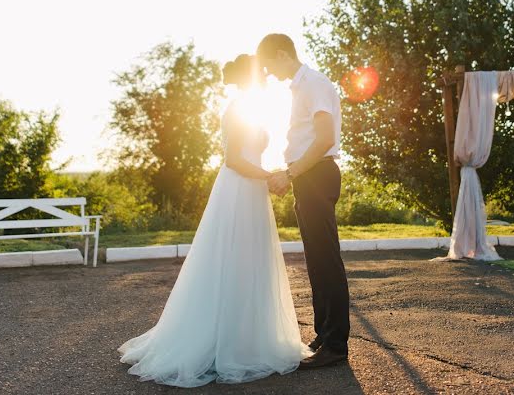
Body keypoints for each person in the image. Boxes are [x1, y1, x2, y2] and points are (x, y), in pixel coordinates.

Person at [118, 53, 310, 388]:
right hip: (238, 190)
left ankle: (247, 337)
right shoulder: (238, 109)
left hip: (251, 192)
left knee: (250, 262)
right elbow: (234, 159)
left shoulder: (250, 107)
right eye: (261, 72)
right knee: (232, 260)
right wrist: (270, 177)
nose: (266, 76)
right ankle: (223, 342)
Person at [257, 33, 350, 369]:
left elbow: (324, 139)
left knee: (326, 260)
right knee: (315, 261)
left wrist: (291, 174)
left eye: (269, 65)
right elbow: (306, 138)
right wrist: (290, 171)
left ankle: (337, 345)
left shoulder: (314, 83)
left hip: (317, 175)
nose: (269, 73)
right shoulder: (301, 87)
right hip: (308, 175)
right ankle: (325, 334)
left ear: (283, 54)